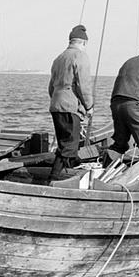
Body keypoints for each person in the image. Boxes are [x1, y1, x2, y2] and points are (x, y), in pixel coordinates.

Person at [46, 24, 94, 181]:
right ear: (83, 43)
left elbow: (51, 86)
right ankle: (53, 179)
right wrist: (89, 106)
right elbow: (84, 84)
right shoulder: (80, 57)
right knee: (70, 146)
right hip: (69, 106)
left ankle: (72, 169)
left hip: (56, 104)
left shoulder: (59, 58)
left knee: (64, 142)